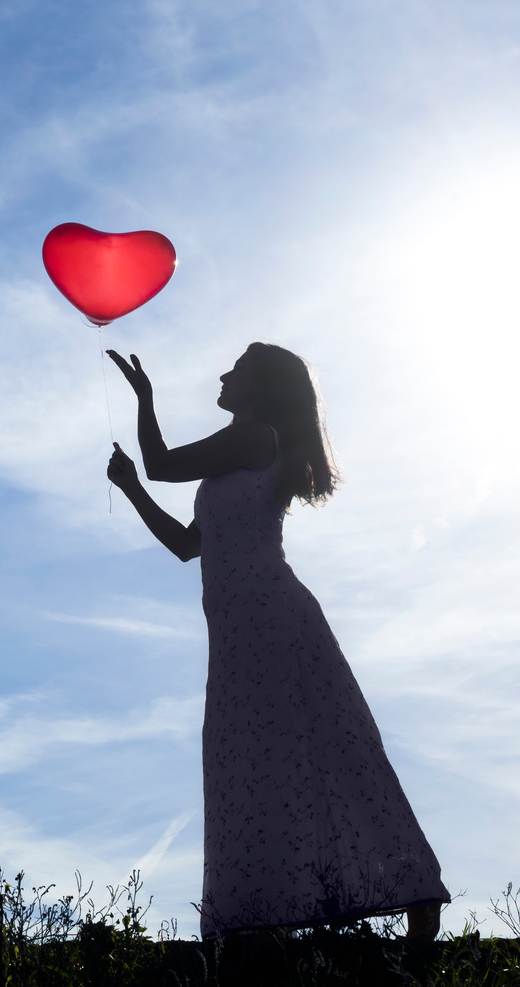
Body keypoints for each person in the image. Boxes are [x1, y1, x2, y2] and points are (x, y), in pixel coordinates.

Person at [105, 343, 449, 942]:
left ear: (259, 388)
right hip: (241, 633)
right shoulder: (239, 449)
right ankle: (269, 919)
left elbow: (161, 461)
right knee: (257, 768)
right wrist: (132, 490)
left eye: (236, 368)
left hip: (274, 621)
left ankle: (414, 896)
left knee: (334, 755)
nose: (222, 373)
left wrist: (145, 399)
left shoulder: (253, 436)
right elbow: (190, 546)